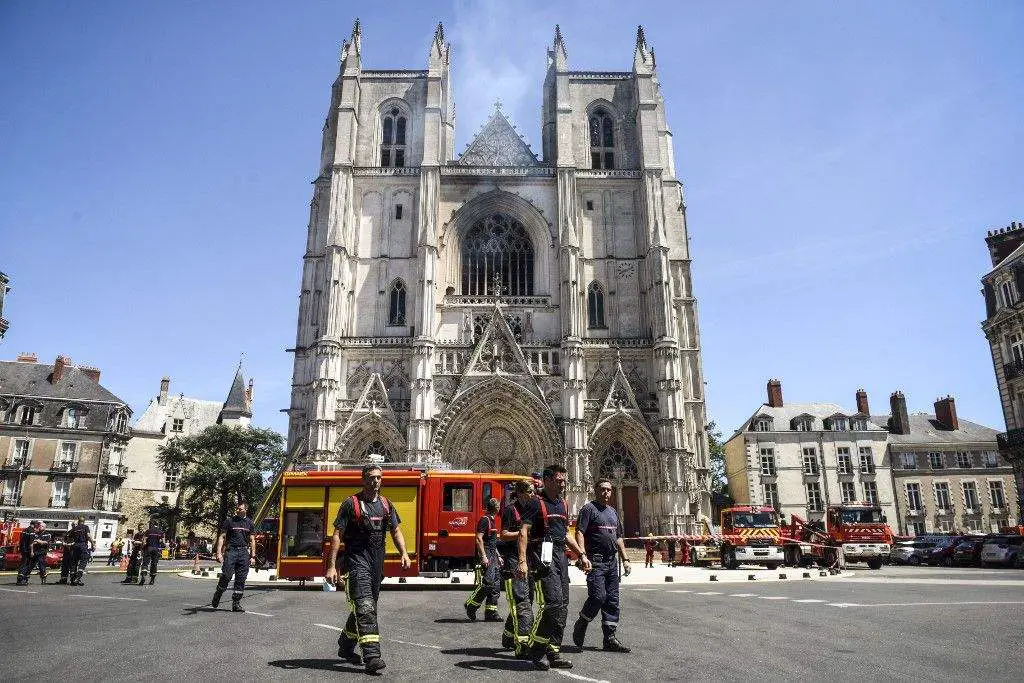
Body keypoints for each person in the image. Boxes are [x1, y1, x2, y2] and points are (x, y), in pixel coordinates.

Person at [325, 464, 411, 675]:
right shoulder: (350, 504)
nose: (376, 481)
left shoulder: (385, 505)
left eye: (379, 478)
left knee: (364, 608)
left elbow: (396, 530)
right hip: (356, 564)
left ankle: (345, 647)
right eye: (372, 478)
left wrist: (404, 553)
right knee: (365, 608)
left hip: (376, 567)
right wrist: (331, 567)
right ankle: (372, 656)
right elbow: (337, 535)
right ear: (363, 480)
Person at [518, 464, 591, 671]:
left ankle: (554, 651)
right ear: (547, 480)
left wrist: (582, 554)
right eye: (559, 480)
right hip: (543, 557)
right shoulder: (535, 503)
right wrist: (522, 561)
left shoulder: (563, 504)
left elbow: (567, 534)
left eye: (564, 480)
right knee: (552, 604)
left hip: (559, 555)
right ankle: (536, 648)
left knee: (563, 606)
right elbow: (524, 532)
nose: (563, 483)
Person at [571, 478, 632, 653]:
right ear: (596, 491)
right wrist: (582, 555)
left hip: (612, 562)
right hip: (595, 560)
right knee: (598, 596)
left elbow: (618, 537)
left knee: (612, 600)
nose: (606, 493)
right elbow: (580, 532)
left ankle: (610, 638)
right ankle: (583, 621)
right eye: (603, 489)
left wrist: (626, 559)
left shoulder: (613, 512)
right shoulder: (588, 509)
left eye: (609, 490)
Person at [500, 479, 536, 656]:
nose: (533, 494)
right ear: (521, 493)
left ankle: (508, 636)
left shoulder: (532, 510)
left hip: (530, 560)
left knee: (527, 600)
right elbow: (504, 534)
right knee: (521, 602)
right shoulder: (509, 510)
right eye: (530, 491)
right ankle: (522, 644)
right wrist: (522, 533)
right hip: (514, 560)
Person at [211, 501, 256, 612]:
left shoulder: (250, 523)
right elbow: (222, 537)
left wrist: (253, 556)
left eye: (240, 509)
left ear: (246, 510)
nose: (237, 510)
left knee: (241, 579)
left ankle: (236, 603)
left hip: (243, 553)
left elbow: (252, 540)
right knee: (227, 575)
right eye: (237, 508)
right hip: (231, 551)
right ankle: (218, 593)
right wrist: (219, 553)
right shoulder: (229, 521)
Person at [464, 497, 501, 622]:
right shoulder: (484, 520)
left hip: (493, 554)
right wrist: (484, 556)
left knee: (495, 585)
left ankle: (491, 613)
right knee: (488, 583)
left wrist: (498, 556)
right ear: (496, 508)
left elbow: (492, 542)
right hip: (487, 554)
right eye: (499, 506)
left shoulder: (492, 520)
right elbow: (479, 538)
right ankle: (471, 605)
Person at [68, 516, 95, 586]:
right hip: (83, 546)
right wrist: (93, 544)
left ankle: (73, 580)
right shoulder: (85, 527)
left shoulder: (74, 529)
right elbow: (88, 536)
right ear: (84, 521)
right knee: (83, 562)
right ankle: (78, 578)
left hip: (75, 547)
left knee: (74, 563)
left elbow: (69, 538)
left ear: (78, 521)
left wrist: (70, 544)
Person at [138, 519, 165, 585]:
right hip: (156, 549)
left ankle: (143, 576)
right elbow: (163, 543)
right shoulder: (160, 532)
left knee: (145, 563)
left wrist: (141, 548)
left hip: (148, 548)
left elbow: (144, 541)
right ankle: (152, 579)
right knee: (154, 564)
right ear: (158, 525)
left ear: (152, 524)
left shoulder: (148, 531)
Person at [15, 520, 40, 585]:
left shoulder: (24, 530)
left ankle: (19, 579)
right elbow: (31, 543)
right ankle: (22, 580)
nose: (37, 526)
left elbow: (21, 540)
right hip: (27, 551)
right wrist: (32, 552)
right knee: (26, 565)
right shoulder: (31, 531)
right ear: (34, 524)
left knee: (22, 564)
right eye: (37, 525)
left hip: (23, 550)